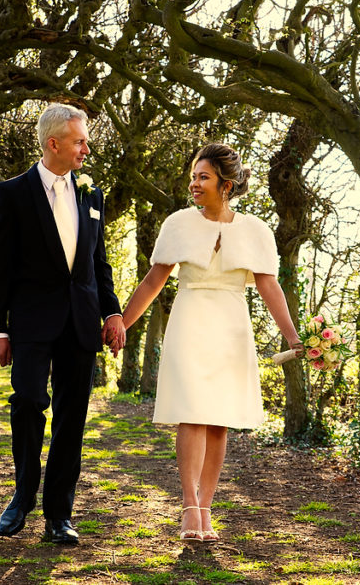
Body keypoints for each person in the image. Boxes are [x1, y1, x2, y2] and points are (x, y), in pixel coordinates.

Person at [120, 143, 302, 542]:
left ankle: (206, 509)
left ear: (227, 184)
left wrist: (293, 336)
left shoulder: (255, 230)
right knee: (192, 411)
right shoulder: (178, 223)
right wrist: (122, 323)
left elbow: (269, 287)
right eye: (193, 176)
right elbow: (155, 280)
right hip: (190, 319)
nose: (194, 184)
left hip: (232, 326)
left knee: (219, 419)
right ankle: (188, 506)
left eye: (203, 177)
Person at [0, 102, 126, 544]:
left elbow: (97, 262)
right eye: (81, 141)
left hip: (82, 323)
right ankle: (22, 494)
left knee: (73, 419)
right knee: (27, 401)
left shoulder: (91, 193)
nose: (86, 149)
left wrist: (113, 312)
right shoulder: (12, 193)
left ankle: (58, 515)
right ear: (54, 143)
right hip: (31, 322)